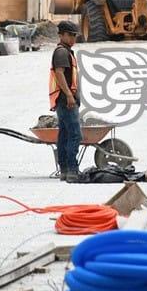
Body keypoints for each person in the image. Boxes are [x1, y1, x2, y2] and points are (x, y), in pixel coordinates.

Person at [49, 21, 82, 182]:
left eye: (75, 35)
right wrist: (69, 95)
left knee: (64, 135)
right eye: (70, 35)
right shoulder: (61, 52)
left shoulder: (66, 51)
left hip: (64, 100)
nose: (73, 38)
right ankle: (72, 170)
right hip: (66, 101)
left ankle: (64, 170)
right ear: (62, 35)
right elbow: (59, 74)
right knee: (75, 135)